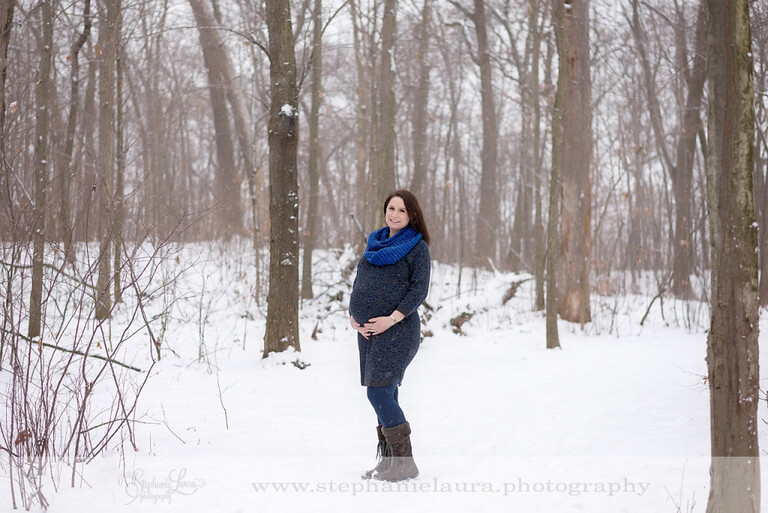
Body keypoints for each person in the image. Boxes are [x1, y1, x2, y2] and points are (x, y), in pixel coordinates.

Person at [349, 190, 431, 482]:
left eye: (402, 210)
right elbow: (360, 282)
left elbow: (419, 290)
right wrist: (353, 317)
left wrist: (391, 319)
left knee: (379, 392)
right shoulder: (375, 242)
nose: (394, 214)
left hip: (398, 331)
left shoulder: (417, 247)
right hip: (369, 333)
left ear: (412, 216)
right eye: (391, 208)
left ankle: (405, 463)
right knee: (386, 393)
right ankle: (389, 462)